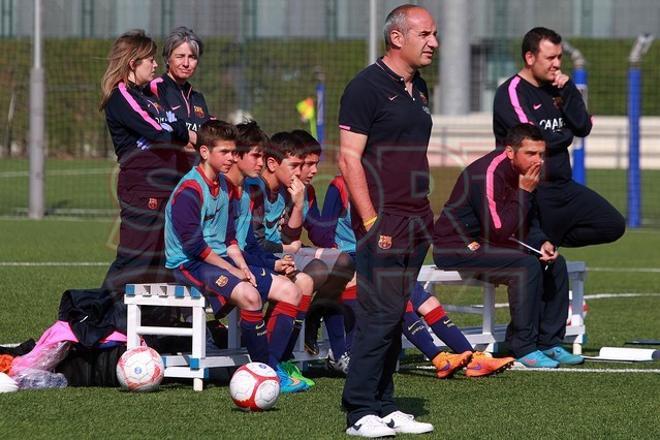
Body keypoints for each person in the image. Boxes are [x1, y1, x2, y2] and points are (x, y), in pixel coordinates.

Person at [338, 5, 438, 437]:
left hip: (417, 219)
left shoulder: (419, 87)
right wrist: (371, 220)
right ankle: (359, 411)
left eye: (435, 34)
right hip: (384, 221)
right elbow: (348, 158)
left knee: (397, 314)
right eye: (425, 34)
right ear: (397, 38)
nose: (433, 42)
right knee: (378, 316)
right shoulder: (365, 87)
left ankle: (386, 405)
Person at [319, 174, 515, 379]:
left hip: (383, 259)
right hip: (352, 259)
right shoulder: (340, 184)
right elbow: (322, 232)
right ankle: (439, 358)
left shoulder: (387, 182)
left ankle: (474, 359)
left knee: (427, 301)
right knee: (398, 299)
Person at [164, 120, 308, 393]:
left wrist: (242, 265)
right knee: (250, 296)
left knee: (290, 290)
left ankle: (272, 366)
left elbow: (230, 240)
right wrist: (234, 271)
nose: (231, 157)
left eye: (233, 152)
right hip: (189, 264)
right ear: (205, 152)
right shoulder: (190, 190)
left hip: (217, 260)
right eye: (226, 152)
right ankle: (266, 371)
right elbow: (195, 248)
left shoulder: (225, 187)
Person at [433, 123, 585, 369]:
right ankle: (523, 347)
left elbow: (528, 219)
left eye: (541, 154)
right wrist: (524, 192)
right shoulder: (489, 173)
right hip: (456, 244)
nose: (538, 160)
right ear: (510, 152)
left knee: (555, 263)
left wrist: (541, 242)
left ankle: (549, 342)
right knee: (524, 266)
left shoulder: (527, 172)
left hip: (488, 241)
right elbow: (500, 229)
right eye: (531, 154)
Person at [493, 26, 625, 248]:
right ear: (530, 57)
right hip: (531, 189)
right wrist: (566, 136)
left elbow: (582, 127)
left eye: (559, 57)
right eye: (550, 58)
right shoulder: (512, 92)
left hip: (563, 187)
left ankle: (547, 240)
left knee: (612, 224)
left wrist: (569, 90)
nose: (557, 64)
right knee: (541, 268)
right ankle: (534, 241)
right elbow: (533, 140)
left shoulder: (559, 89)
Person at [99, 29, 195, 294]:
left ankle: (152, 325)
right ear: (133, 63)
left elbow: (180, 130)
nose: (156, 64)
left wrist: (174, 131)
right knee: (135, 260)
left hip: (165, 186)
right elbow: (162, 133)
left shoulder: (149, 97)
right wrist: (172, 131)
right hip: (142, 188)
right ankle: (99, 318)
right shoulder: (121, 97)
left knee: (161, 261)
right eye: (150, 59)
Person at [150, 26, 211, 171]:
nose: (186, 63)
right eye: (180, 56)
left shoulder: (198, 98)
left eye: (192, 57)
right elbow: (160, 136)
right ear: (167, 58)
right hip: (162, 178)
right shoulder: (155, 89)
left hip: (193, 179)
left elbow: (208, 140)